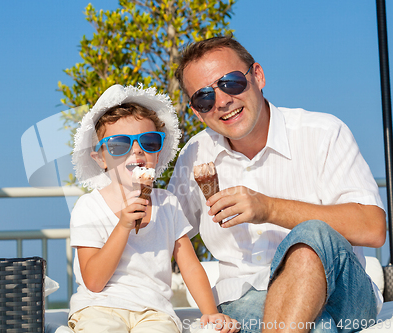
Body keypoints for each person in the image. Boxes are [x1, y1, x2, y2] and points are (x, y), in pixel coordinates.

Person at [168, 36, 386, 333]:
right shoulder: (194, 155)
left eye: (230, 83)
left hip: (343, 295)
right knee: (317, 328)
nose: (221, 101)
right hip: (244, 301)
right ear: (196, 111)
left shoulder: (323, 133)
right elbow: (166, 236)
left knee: (311, 235)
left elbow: (373, 228)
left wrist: (268, 208)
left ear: (258, 76)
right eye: (204, 98)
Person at [68, 84, 239, 333]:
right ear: (101, 158)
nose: (136, 150)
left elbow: (189, 266)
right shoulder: (89, 207)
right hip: (98, 308)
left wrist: (211, 312)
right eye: (119, 145)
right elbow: (93, 281)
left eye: (148, 142)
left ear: (158, 154)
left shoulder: (167, 203)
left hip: (154, 312)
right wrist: (124, 225)